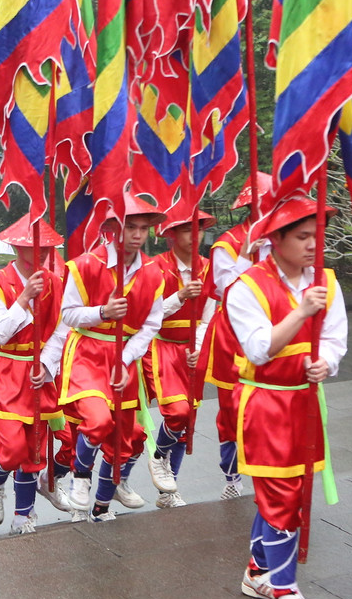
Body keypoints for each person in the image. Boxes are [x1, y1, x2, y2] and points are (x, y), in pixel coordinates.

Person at [226, 195, 348, 599]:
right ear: (275, 240)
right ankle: (285, 592)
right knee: (282, 499)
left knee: (290, 494)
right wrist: (301, 311)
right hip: (266, 403)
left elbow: (335, 338)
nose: (314, 245)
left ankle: (258, 570)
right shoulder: (245, 287)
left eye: (318, 235)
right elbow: (260, 349)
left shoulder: (326, 281)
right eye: (302, 236)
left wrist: (326, 363)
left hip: (306, 403)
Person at [57, 193, 166, 521]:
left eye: (143, 228)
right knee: (98, 421)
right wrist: (102, 312)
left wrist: (126, 358)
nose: (138, 235)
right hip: (88, 354)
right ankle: (80, 477)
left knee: (125, 440)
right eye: (131, 227)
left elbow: (151, 325)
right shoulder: (86, 265)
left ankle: (104, 502)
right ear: (113, 229)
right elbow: (68, 314)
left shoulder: (153, 272)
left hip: (124, 358)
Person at [0, 216, 70, 534]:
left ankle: (24, 516)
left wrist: (46, 363)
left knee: (34, 450)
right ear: (17, 247)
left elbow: (62, 329)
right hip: (5, 371)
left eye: (46, 246)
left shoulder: (57, 283)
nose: (42, 251)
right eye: (35, 245)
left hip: (39, 373)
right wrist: (23, 298)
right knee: (13, 446)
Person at [199, 172, 273, 499]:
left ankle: (269, 473)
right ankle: (232, 476)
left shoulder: (284, 240)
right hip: (232, 335)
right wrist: (245, 256)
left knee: (270, 406)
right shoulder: (226, 244)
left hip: (274, 330)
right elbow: (224, 290)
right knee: (232, 409)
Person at [145, 205, 214, 509]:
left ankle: (168, 491)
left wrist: (198, 348)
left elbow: (208, 316)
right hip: (162, 346)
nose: (194, 236)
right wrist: (180, 296)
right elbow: (147, 315)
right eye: (187, 229)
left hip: (192, 350)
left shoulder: (209, 269)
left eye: (198, 229)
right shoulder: (156, 267)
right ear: (171, 235)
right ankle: (158, 456)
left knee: (186, 424)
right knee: (177, 412)